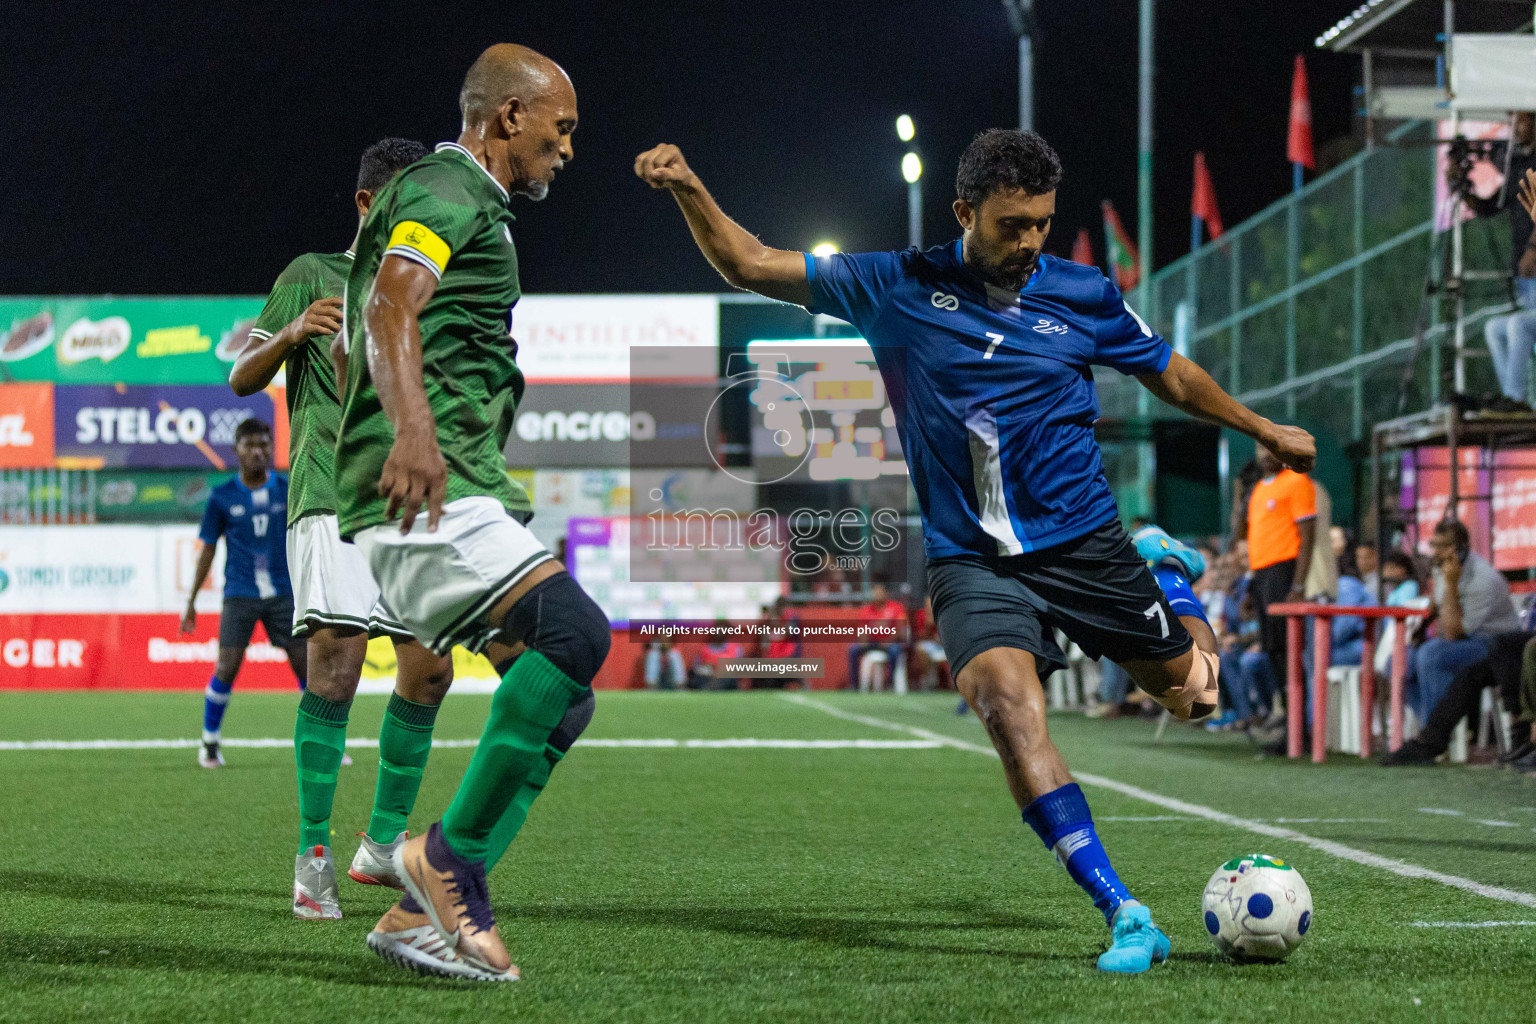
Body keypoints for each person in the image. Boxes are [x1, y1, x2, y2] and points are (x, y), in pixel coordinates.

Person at [636, 127, 1315, 973]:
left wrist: (1262, 428)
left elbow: (1167, 371)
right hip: (972, 560)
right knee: (1002, 704)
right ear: (964, 213)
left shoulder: (1084, 292)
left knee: (1198, 698)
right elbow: (750, 262)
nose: (1030, 243)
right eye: (1011, 225)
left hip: (1087, 546)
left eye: (1041, 224)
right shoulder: (895, 284)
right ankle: (1125, 912)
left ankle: (1169, 575)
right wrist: (689, 187)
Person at [336, 44, 607, 982]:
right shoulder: (448, 189)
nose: (568, 149)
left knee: (562, 699)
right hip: (427, 483)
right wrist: (413, 432)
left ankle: (421, 915)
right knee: (576, 634)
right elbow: (388, 307)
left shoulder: (465, 202)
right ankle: (445, 864)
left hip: (451, 480)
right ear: (508, 119)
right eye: (559, 129)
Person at [231, 138, 465, 921]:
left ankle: (382, 843)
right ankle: (313, 856)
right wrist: (293, 332)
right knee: (334, 665)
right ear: (368, 205)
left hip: (403, 499)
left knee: (431, 669)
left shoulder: (429, 287)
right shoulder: (311, 274)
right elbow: (241, 377)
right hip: (328, 494)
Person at [181, 418, 306, 767]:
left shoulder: (288, 488)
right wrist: (190, 601)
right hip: (240, 594)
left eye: (264, 444)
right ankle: (209, 742)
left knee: (308, 669)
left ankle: (325, 745)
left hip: (284, 594)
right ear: (236, 449)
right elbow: (207, 549)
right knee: (227, 666)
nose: (258, 451)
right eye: (250, 445)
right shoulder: (222, 497)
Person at [1407, 521, 1521, 726]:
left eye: (1443, 546)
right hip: (1468, 640)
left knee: (1432, 655)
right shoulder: (1444, 565)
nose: (1436, 552)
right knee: (1401, 661)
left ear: (1458, 550)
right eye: (1434, 544)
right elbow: (1436, 601)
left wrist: (1451, 584)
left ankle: (1435, 734)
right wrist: (1421, 629)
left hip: (1497, 645)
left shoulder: (1483, 579)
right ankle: (1431, 725)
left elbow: (1453, 633)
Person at [1246, 445, 1316, 728]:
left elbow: (1307, 536)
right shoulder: (1259, 489)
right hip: (1262, 574)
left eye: (1270, 446)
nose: (1265, 453)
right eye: (1260, 447)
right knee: (1272, 650)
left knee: (1288, 650)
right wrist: (1252, 586)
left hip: (1283, 571)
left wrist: (1298, 583)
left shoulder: (1297, 482)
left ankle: (1300, 726)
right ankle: (1289, 719)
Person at [1470, 113, 1536, 402]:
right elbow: (1490, 208)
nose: (1515, 128)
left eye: (1521, 120)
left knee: (1519, 325)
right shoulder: (1517, 167)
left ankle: (1515, 400)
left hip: (1532, 266)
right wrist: (1465, 190)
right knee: (1494, 329)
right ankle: (1513, 401)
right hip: (1527, 279)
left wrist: (1532, 249)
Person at [847, 583, 907, 692]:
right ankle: (854, 685)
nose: (877, 595)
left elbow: (901, 629)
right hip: (872, 642)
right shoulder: (866, 610)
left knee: (895, 652)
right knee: (853, 649)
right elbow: (862, 630)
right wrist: (863, 640)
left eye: (879, 592)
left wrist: (888, 641)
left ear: (885, 593)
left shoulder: (896, 608)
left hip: (889, 642)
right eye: (875, 592)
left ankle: (890, 684)